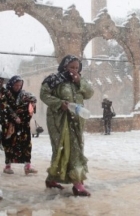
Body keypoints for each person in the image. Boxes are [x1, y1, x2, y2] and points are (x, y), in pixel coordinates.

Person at [40, 55, 94, 196]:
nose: (74, 70)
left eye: (77, 68)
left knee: (73, 149)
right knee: (64, 149)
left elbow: (89, 93)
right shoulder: (54, 80)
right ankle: (73, 183)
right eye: (71, 67)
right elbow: (44, 95)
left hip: (76, 120)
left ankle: (61, 180)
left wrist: (79, 82)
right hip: (59, 120)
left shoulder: (79, 81)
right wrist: (60, 103)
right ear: (65, 67)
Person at [1, 75, 38, 175]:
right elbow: (5, 107)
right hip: (9, 124)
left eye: (20, 85)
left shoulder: (24, 94)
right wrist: (14, 117)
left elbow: (33, 99)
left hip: (23, 124)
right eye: (16, 85)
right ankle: (8, 166)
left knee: (26, 144)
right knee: (9, 144)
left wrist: (33, 104)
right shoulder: (6, 94)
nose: (18, 87)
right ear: (11, 84)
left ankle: (27, 166)